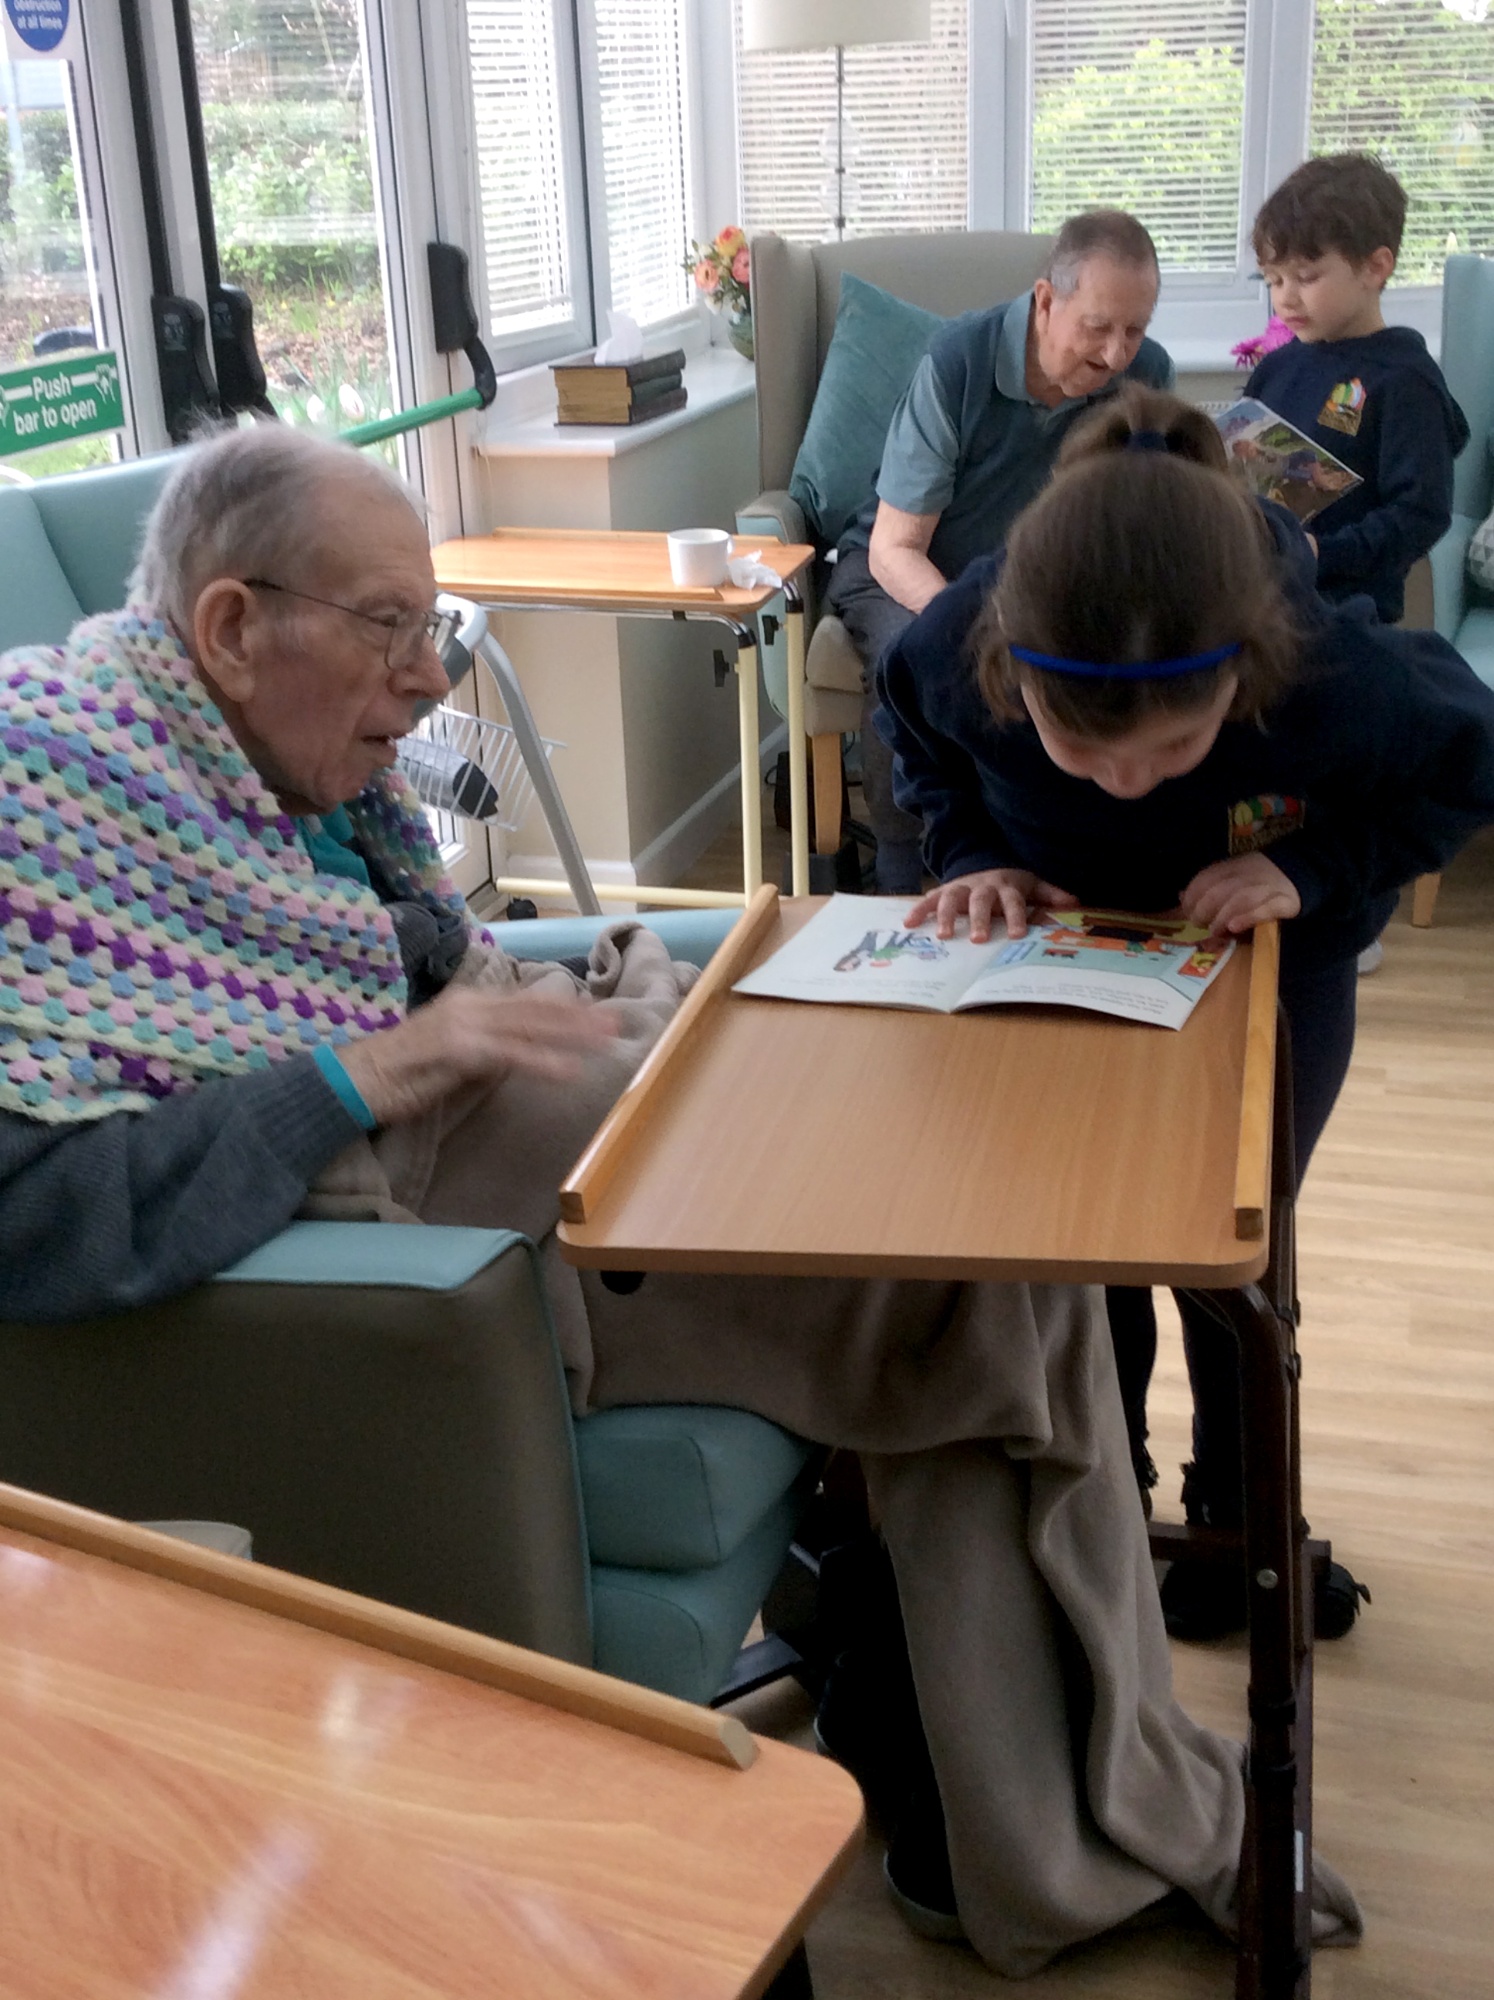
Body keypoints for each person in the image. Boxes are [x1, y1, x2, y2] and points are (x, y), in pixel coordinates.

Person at [0, 424, 1363, 1971]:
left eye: (427, 627)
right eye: (390, 627)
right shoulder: (48, 795)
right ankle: (1059, 1831)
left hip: (558, 1149)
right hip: (451, 1253)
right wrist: (363, 1077)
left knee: (1002, 1271)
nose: (432, 679)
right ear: (232, 629)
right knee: (984, 1295)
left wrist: (509, 1021)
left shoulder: (272, 775)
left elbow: (422, 971)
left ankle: (1010, 1788)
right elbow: (32, 1208)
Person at [875, 386, 1494, 1640]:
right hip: (1065, 958)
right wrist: (968, 852)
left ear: (1244, 680)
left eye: (1170, 752)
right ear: (1013, 676)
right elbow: (912, 738)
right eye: (1083, 753)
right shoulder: (956, 644)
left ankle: (1239, 1526)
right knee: (1080, 1256)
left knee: (1230, 1259)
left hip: (1267, 964)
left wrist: (1316, 872)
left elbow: (1470, 761)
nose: (1124, 780)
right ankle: (1110, 1508)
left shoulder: (1327, 673)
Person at [828, 209, 1175, 892]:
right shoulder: (958, 361)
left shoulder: (1146, 376)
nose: (1116, 355)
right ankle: (901, 866)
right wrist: (980, 617)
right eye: (1098, 328)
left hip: (1035, 582)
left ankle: (1045, 857)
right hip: (903, 568)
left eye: (1135, 330)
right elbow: (895, 548)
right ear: (1047, 300)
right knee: (915, 654)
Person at [1247, 152, 1468, 626]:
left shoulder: (1405, 381)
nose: (1285, 296)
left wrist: (1323, 552)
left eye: (1306, 277)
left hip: (1345, 620)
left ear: (1375, 268)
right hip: (1257, 606)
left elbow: (1420, 512)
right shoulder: (1277, 368)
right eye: (1273, 278)